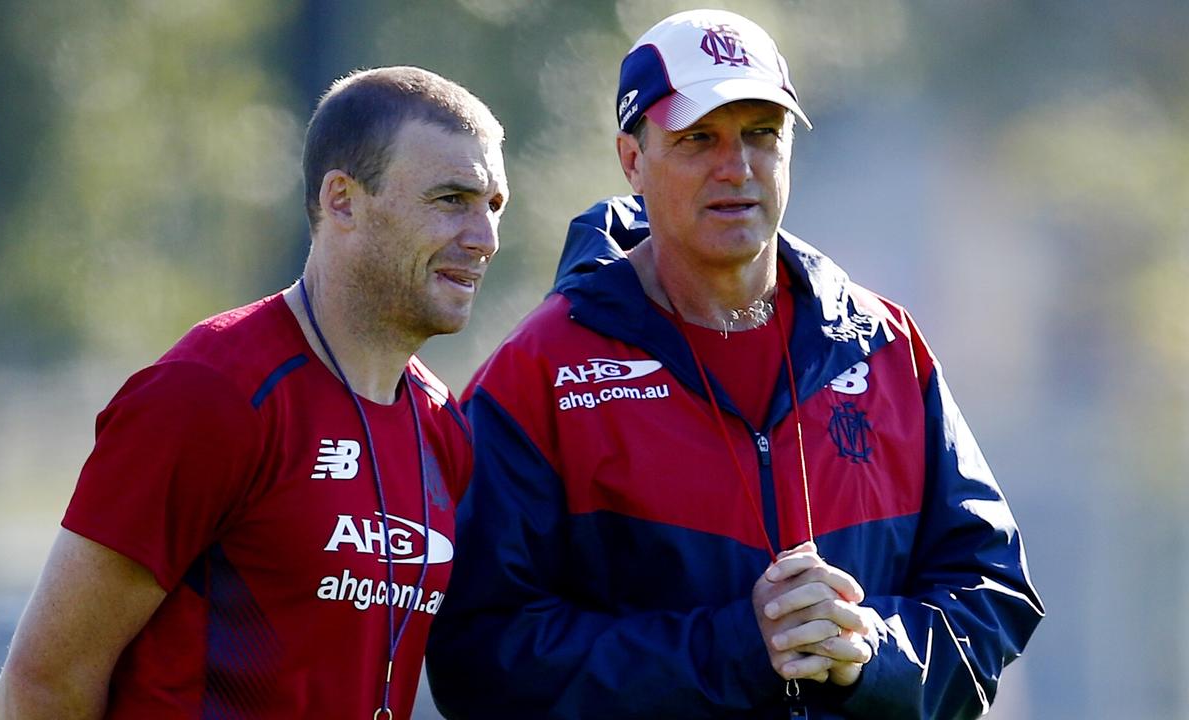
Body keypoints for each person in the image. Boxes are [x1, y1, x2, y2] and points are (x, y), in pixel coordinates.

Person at [427, 9, 1041, 719]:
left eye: (761, 134)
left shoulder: (886, 346)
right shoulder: (536, 375)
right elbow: (479, 661)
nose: (737, 167)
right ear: (632, 158)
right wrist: (736, 648)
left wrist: (872, 651)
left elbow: (992, 596)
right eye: (698, 138)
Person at [0, 65, 508, 719]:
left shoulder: (441, 428)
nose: (483, 240)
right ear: (342, 200)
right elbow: (44, 681)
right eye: (450, 200)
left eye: (493, 207)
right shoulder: (211, 394)